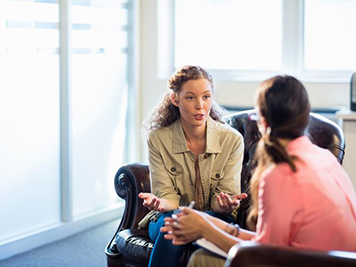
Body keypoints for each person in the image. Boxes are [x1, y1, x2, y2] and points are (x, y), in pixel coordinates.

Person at [162, 75, 356, 267]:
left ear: (263, 122)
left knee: (200, 259)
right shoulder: (323, 157)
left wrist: (205, 229)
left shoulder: (281, 174)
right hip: (331, 260)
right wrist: (208, 221)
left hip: (308, 262)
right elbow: (270, 241)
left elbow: (264, 254)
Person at [138, 65, 247, 267]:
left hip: (215, 216)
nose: (200, 105)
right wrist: (161, 204)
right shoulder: (158, 139)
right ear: (175, 99)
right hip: (169, 215)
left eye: (206, 97)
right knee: (175, 223)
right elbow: (168, 196)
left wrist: (224, 204)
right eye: (190, 97)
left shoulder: (232, 140)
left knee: (190, 226)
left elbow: (224, 197)